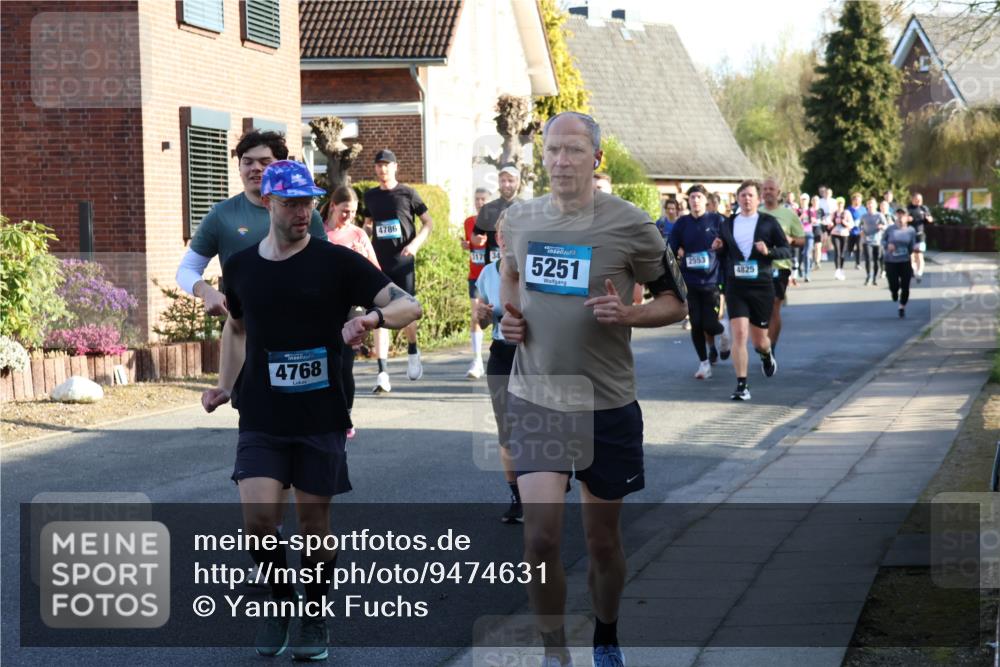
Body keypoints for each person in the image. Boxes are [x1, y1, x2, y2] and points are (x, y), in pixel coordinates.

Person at [201, 160, 421, 660]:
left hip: (321, 414)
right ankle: (281, 604)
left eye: (308, 202)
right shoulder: (241, 267)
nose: (304, 212)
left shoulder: (336, 262)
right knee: (258, 521)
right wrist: (222, 386)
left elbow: (410, 305)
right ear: (269, 204)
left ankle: (314, 614)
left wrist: (372, 318)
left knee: (313, 529)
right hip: (260, 411)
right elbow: (236, 329)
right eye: (292, 203)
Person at [499, 111, 687, 667]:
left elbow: (676, 302)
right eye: (552, 150)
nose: (560, 161)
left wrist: (629, 313)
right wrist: (508, 321)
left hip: (606, 403)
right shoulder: (519, 218)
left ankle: (606, 635)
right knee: (540, 541)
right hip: (537, 399)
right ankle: (554, 654)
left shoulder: (631, 224)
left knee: (603, 541)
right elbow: (509, 275)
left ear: (596, 159)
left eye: (574, 150)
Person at [176, 130, 328, 314]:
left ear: (280, 167)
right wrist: (206, 292)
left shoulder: (307, 215)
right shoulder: (221, 214)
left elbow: (326, 269)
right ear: (239, 167)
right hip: (242, 329)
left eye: (265, 162)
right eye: (247, 162)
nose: (256, 168)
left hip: (302, 322)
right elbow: (186, 269)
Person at [710, 179, 790, 401]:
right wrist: (718, 248)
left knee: (759, 341)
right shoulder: (728, 224)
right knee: (740, 334)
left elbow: (786, 251)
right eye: (743, 195)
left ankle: (766, 355)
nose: (747, 199)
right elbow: (724, 253)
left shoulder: (768, 223)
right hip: (736, 286)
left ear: (758, 199)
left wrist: (768, 251)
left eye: (751, 195)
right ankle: (742, 385)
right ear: (737, 198)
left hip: (761, 286)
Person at [363, 149, 434, 392]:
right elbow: (368, 224)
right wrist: (364, 238)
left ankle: (412, 348)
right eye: (379, 165)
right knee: (380, 314)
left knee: (407, 312)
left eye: (386, 165)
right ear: (375, 169)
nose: (382, 169)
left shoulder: (408, 193)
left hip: (403, 262)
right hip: (379, 264)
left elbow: (428, 222)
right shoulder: (370, 196)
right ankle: (382, 373)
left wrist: (415, 245)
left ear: (395, 167)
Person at [473, 216, 523, 523]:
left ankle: (550, 477)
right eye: (501, 234)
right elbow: (481, 320)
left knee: (539, 425)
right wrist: (481, 314)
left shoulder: (533, 271)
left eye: (511, 233)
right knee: (507, 431)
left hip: (532, 355)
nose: (504, 239)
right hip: (501, 355)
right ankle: (517, 497)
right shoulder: (487, 273)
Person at [324, 186, 381, 439]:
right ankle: (324, 413)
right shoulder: (319, 233)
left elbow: (376, 270)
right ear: (333, 206)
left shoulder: (358, 235)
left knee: (345, 363)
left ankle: (345, 415)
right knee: (328, 363)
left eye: (353, 212)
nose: (348, 216)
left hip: (353, 306)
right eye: (345, 211)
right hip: (325, 304)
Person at [669, 184, 725, 379]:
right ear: (688, 200)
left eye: (699, 197)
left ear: (706, 200)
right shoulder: (682, 223)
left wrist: (722, 246)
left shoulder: (717, 220)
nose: (695, 201)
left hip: (712, 280)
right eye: (692, 197)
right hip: (689, 281)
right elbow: (671, 248)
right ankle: (704, 364)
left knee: (710, 323)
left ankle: (724, 333)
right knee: (696, 323)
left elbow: (729, 244)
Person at [760, 178, 805, 353]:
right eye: (765, 189)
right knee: (759, 308)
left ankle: (771, 346)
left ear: (778, 193)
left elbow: (801, 240)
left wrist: (791, 240)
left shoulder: (789, 215)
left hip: (780, 266)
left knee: (773, 306)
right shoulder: (755, 213)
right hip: (757, 266)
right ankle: (762, 340)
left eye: (772, 189)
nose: (768, 192)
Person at [463, 187, 492, 379]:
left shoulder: (496, 222)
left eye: (483, 199)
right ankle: (477, 361)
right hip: (474, 275)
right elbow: (471, 244)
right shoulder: (469, 222)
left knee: (496, 318)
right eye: (477, 199)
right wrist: (467, 245)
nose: (479, 202)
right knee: (476, 316)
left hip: (493, 276)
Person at [882, 207, 917, 317]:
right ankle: (894, 292)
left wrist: (913, 250)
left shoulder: (911, 230)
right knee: (894, 284)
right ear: (896, 216)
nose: (901, 217)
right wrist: (888, 245)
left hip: (905, 261)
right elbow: (883, 240)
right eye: (899, 215)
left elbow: (912, 245)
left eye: (903, 215)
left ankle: (902, 306)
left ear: (907, 217)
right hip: (891, 261)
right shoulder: (890, 229)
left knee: (906, 286)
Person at [859, 197, 887, 287]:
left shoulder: (879, 215)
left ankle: (874, 278)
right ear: (867, 206)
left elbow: (886, 225)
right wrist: (861, 231)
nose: (870, 205)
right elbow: (860, 225)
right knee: (868, 259)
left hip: (877, 241)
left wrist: (882, 226)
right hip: (866, 240)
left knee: (876, 260)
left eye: (872, 204)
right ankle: (868, 276)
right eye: (868, 204)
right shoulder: (864, 216)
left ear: (875, 205)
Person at [907, 192, 933, 282]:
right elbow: (901, 219)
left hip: (920, 234)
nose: (919, 201)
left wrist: (929, 219)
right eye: (917, 199)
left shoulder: (924, 208)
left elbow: (930, 218)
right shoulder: (908, 208)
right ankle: (913, 271)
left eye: (920, 199)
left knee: (919, 255)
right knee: (911, 256)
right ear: (913, 199)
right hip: (909, 235)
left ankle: (919, 273)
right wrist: (906, 219)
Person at [829, 197, 853, 280]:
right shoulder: (834, 213)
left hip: (844, 234)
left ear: (843, 204)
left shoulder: (847, 213)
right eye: (838, 203)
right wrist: (830, 224)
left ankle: (841, 269)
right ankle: (837, 270)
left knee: (842, 253)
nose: (840, 205)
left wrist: (845, 223)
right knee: (837, 252)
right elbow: (829, 221)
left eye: (841, 203)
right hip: (835, 234)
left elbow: (851, 224)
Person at [797, 193, 816, 282]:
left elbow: (814, 220)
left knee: (806, 254)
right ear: (800, 201)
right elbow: (794, 221)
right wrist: (801, 216)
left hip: (809, 234)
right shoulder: (797, 210)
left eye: (805, 200)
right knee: (800, 255)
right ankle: (799, 268)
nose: (804, 201)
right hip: (799, 234)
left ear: (808, 201)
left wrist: (812, 219)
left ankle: (807, 274)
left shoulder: (811, 210)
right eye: (802, 199)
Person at [846, 192, 867, 271]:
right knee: (850, 246)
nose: (858, 202)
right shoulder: (848, 209)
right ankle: (850, 250)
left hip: (860, 231)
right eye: (856, 200)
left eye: (859, 200)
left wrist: (864, 228)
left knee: (859, 247)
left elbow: (865, 219)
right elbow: (845, 218)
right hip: (851, 231)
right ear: (853, 201)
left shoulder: (863, 209)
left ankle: (857, 263)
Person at [810, 195, 825, 272]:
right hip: (810, 229)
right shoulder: (809, 210)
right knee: (811, 247)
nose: (815, 202)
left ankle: (817, 262)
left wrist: (825, 231)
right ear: (811, 202)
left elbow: (824, 220)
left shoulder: (821, 210)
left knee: (818, 246)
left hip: (818, 229)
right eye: (814, 200)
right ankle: (811, 262)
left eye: (817, 200)